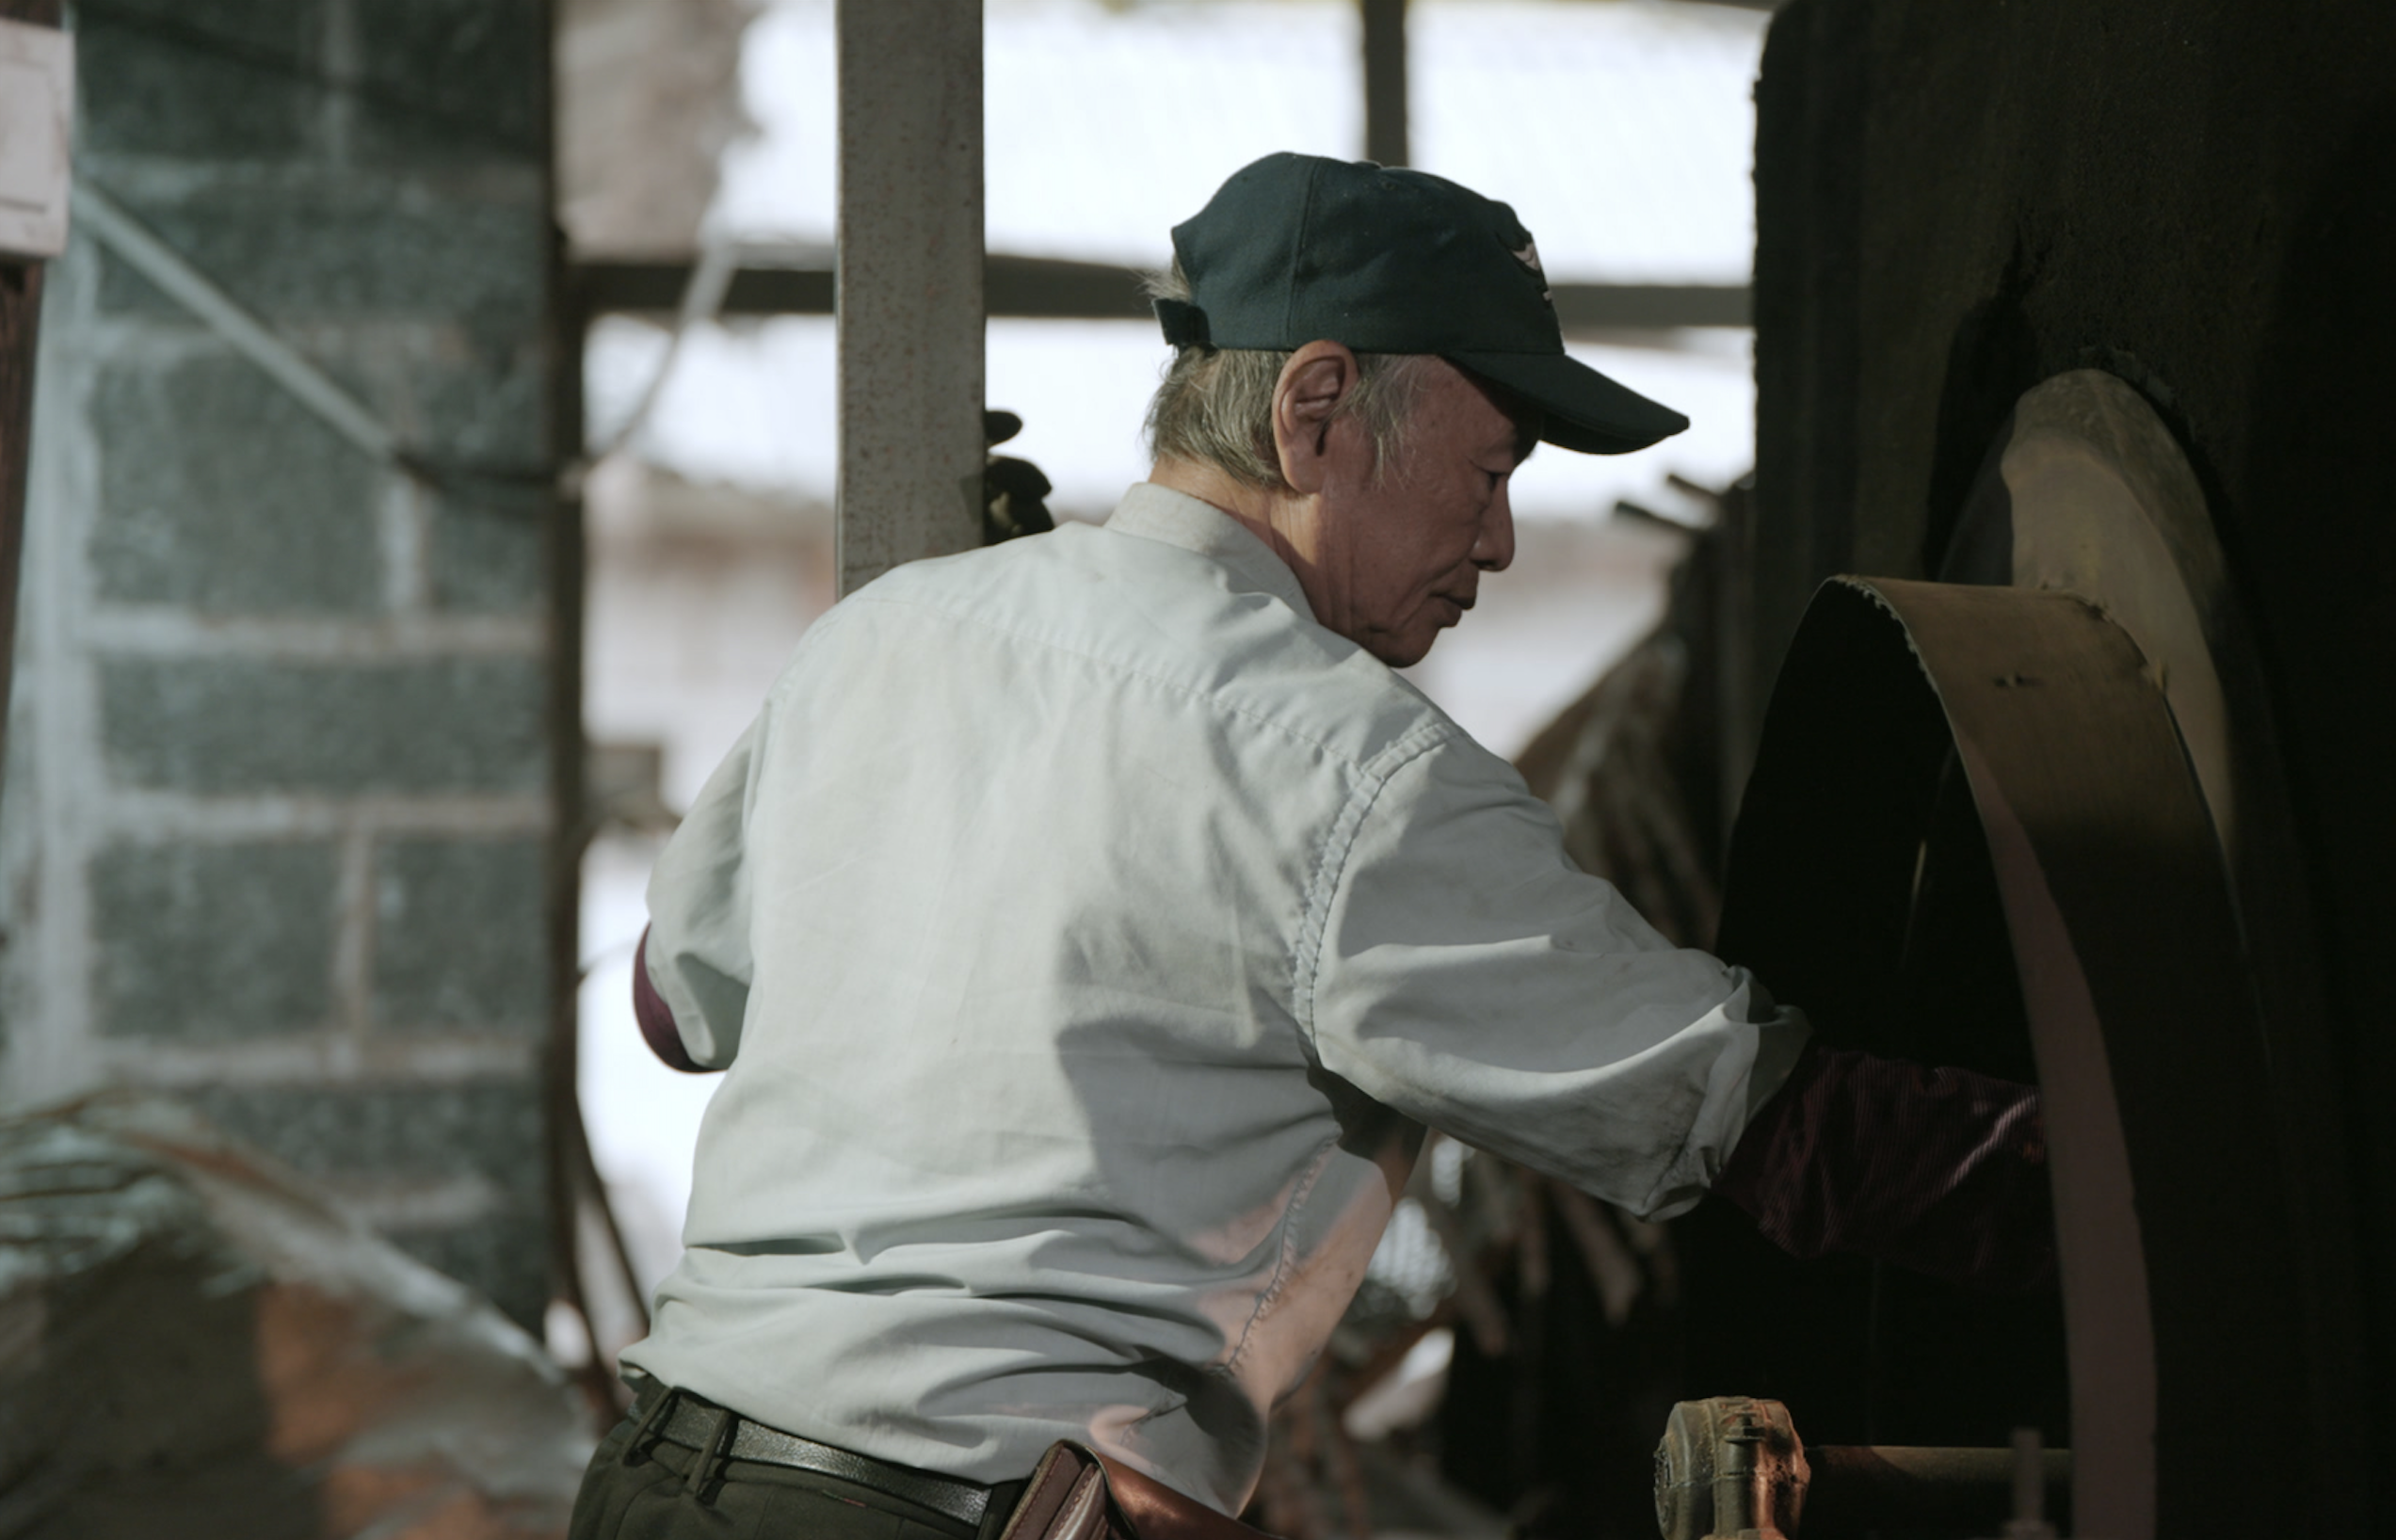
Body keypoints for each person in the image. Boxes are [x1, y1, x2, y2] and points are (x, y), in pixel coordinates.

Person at [571, 153, 2050, 1540]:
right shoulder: (1353, 768)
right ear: (1317, 408)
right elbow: (1743, 1113)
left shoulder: (885, 631)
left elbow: (673, 999)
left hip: (655, 1484)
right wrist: (2146, 1208)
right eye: (1488, 473)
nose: (1502, 542)